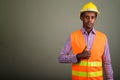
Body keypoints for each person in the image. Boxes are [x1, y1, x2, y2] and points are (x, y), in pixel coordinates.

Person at [58, 2, 113, 80]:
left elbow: (107, 63)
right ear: (81, 17)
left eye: (92, 17)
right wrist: (78, 56)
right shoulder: (73, 36)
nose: (90, 20)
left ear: (95, 18)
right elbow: (61, 58)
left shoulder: (103, 37)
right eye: (87, 17)